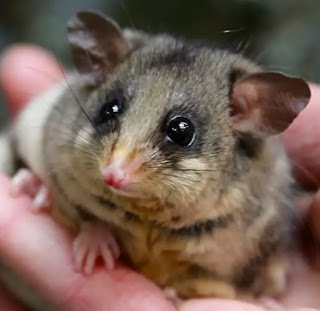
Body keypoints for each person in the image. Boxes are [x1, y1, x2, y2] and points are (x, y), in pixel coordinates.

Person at [0, 44, 319, 311]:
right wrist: (83, 219)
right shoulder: (71, 126)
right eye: (112, 112)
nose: (116, 169)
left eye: (178, 133)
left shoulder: (258, 189)